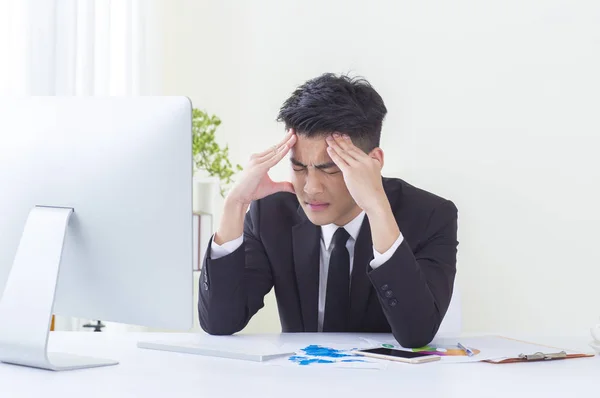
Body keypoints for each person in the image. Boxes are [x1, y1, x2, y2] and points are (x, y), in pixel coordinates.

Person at [198, 73, 458, 348]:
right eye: (298, 167)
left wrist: (377, 209)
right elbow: (219, 322)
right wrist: (235, 205)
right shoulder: (271, 214)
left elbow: (417, 333)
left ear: (373, 161)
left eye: (330, 169)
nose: (310, 188)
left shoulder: (431, 216)